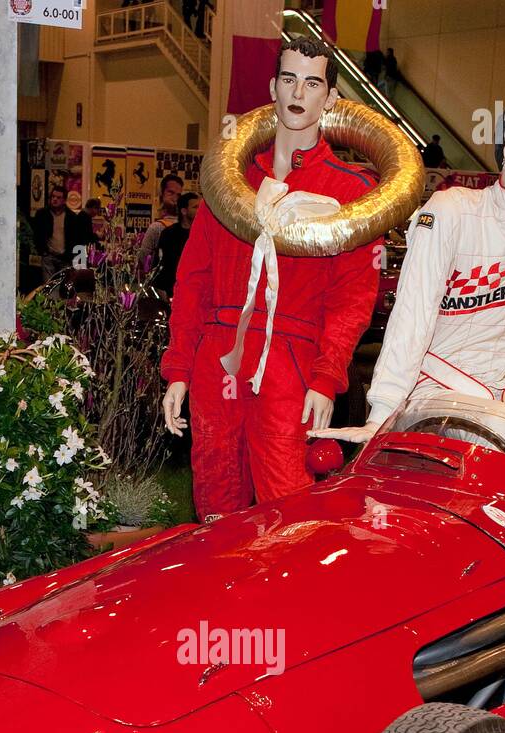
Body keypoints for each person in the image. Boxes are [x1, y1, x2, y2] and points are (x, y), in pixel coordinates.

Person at [311, 98, 505, 487]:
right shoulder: (454, 210)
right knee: (498, 432)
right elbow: (413, 313)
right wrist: (381, 414)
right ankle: (501, 531)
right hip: (438, 393)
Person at [160, 36, 382, 518]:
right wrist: (178, 366)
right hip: (219, 358)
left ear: (331, 97)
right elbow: (193, 279)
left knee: (289, 504)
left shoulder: (351, 190)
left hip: (291, 364)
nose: (298, 92)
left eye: (312, 81)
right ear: (272, 88)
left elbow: (353, 297)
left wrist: (326, 378)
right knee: (216, 499)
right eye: (288, 79)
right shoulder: (230, 180)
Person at [32, 184, 94, 283]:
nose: (55, 199)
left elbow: (77, 238)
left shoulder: (71, 217)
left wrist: (76, 258)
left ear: (64, 200)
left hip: (65, 257)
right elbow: (37, 234)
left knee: (64, 286)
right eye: (53, 197)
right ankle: (51, 299)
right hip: (49, 256)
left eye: (58, 197)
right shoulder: (42, 214)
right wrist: (42, 251)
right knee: (49, 285)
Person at [155, 191, 201, 297]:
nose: (200, 211)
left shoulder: (204, 234)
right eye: (195, 207)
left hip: (197, 293)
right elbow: (160, 264)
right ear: (184, 211)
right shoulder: (168, 234)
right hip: (172, 293)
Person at [138, 173, 184, 269]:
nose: (175, 198)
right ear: (162, 194)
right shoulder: (189, 226)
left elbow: (143, 259)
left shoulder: (156, 227)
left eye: (178, 195)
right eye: (171, 193)